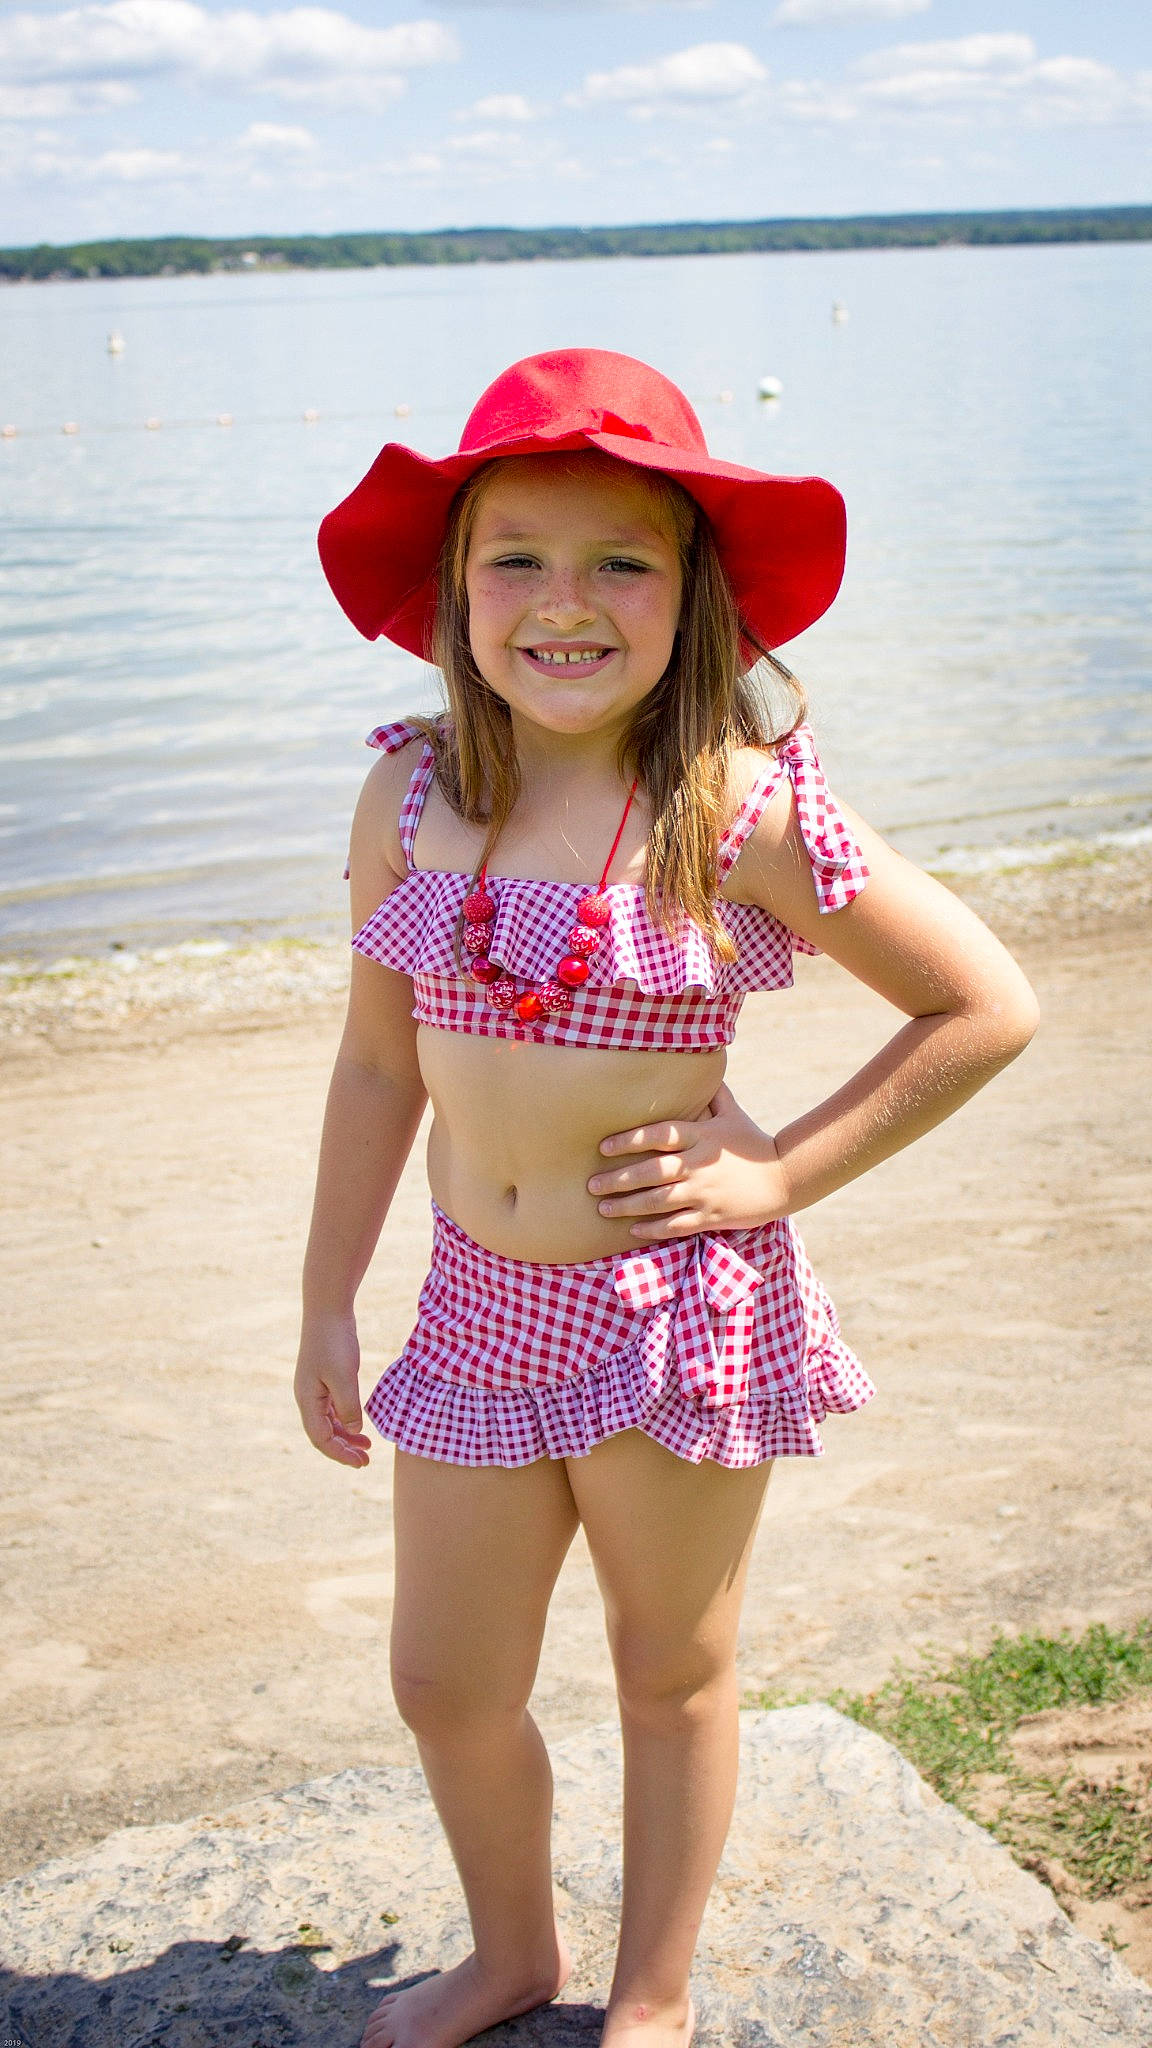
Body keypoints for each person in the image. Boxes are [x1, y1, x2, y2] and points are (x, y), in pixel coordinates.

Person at [295, 348, 1038, 2048]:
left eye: (619, 561)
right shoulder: (412, 794)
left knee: (671, 1666)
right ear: (453, 588)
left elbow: (983, 1003)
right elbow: (377, 1068)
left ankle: (654, 1991)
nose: (565, 603)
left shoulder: (733, 804)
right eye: (517, 559)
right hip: (475, 1305)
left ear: (693, 590)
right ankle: (513, 1953)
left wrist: (778, 1169)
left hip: (671, 1310)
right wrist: (328, 1295)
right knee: (444, 1680)